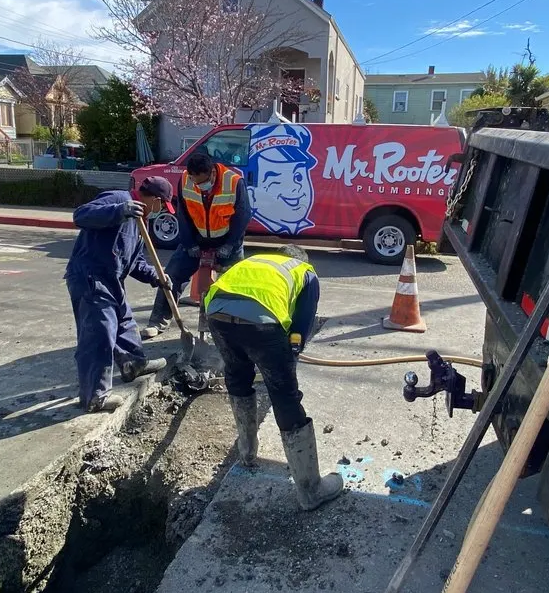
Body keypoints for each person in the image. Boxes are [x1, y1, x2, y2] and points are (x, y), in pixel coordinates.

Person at [203, 244, 343, 511]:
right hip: (262, 322)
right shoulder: (305, 271)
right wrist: (290, 355)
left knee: (237, 376)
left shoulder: (253, 263)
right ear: (302, 259)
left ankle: (247, 453)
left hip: (217, 313)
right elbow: (301, 324)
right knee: (284, 396)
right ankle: (311, 491)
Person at [64, 176, 174, 413]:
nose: (162, 210)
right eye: (163, 205)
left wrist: (157, 276)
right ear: (155, 200)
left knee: (124, 323)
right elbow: (81, 215)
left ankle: (133, 363)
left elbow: (135, 263)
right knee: (99, 335)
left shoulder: (139, 222)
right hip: (90, 278)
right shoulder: (120, 200)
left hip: (112, 280)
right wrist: (119, 211)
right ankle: (94, 397)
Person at [141, 151, 252, 339]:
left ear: (212, 173)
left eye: (202, 182)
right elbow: (183, 215)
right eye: (194, 181)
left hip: (227, 240)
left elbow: (243, 216)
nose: (198, 186)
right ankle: (158, 320)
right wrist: (189, 243)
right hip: (197, 238)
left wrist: (231, 245)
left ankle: (235, 329)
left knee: (236, 284)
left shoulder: (233, 182)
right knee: (172, 276)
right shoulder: (186, 180)